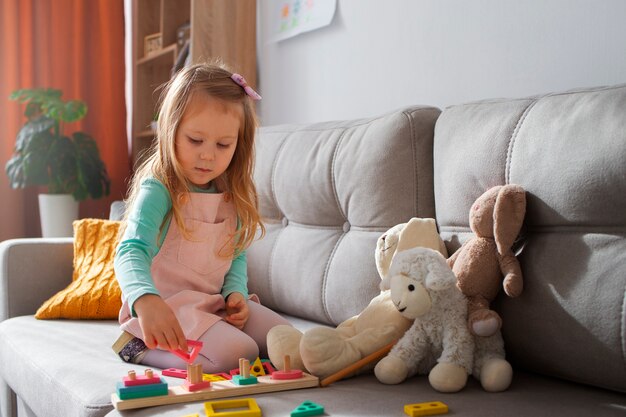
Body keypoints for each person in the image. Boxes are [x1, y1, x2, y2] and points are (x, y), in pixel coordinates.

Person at [112, 62, 290, 373]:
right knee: (242, 352)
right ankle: (136, 347)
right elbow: (130, 252)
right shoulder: (159, 189)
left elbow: (233, 254)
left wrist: (235, 292)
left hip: (213, 306)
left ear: (240, 144)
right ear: (172, 130)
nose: (208, 155)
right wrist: (145, 300)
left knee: (286, 340)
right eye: (196, 140)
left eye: (223, 145)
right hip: (167, 308)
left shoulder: (230, 193)